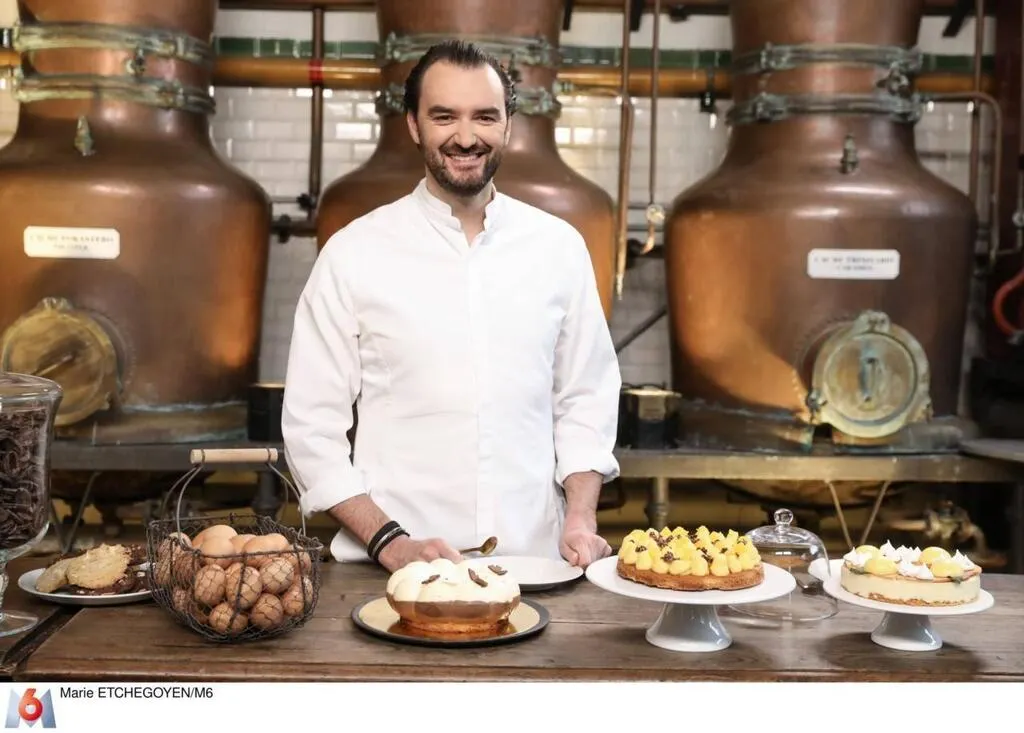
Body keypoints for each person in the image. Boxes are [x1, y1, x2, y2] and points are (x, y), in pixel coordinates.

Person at [281, 39, 621, 573]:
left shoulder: (558, 247)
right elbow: (310, 426)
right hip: (391, 576)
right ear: (414, 126)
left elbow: (585, 400)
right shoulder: (354, 252)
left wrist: (581, 517)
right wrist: (391, 541)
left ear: (508, 124)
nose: (466, 137)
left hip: (535, 567)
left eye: (485, 116)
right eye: (444, 116)